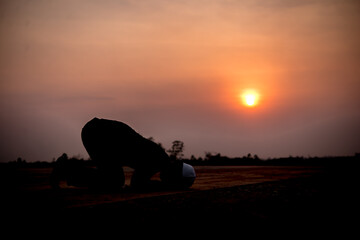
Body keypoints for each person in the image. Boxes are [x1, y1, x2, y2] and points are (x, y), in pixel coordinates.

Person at [51, 118, 196, 190]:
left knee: (112, 178)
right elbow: (137, 185)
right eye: (174, 181)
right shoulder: (156, 160)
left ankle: (67, 169)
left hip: (99, 131)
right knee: (113, 181)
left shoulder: (159, 158)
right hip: (99, 133)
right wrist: (161, 187)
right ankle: (66, 169)